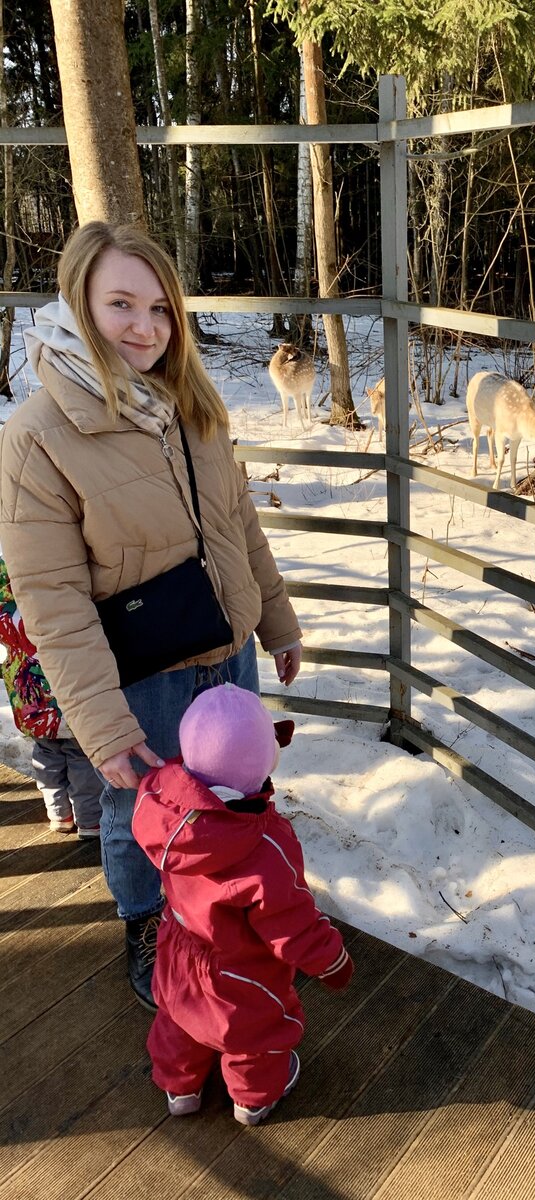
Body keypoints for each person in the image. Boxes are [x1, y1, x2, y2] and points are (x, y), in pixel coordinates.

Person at [0, 222, 302, 1011]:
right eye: (121, 305)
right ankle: (146, 924)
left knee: (230, 801)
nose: (145, 327)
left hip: (225, 657)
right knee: (143, 811)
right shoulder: (38, 438)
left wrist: (277, 621)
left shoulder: (191, 404)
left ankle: (224, 918)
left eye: (161, 309)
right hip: (143, 675)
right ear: (78, 305)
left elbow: (240, 523)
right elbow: (53, 601)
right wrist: (100, 726)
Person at [132, 683, 353, 1125]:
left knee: (179, 1018)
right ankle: (253, 1100)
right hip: (241, 972)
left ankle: (181, 1090)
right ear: (260, 767)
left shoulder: (161, 808)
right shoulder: (265, 846)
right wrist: (333, 962)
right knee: (254, 1035)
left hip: (178, 948)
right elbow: (292, 924)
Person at [0, 556, 102, 837]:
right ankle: (90, 819)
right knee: (80, 756)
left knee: (46, 757)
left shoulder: (6, 614)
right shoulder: (52, 602)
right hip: (65, 698)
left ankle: (59, 814)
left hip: (31, 704)